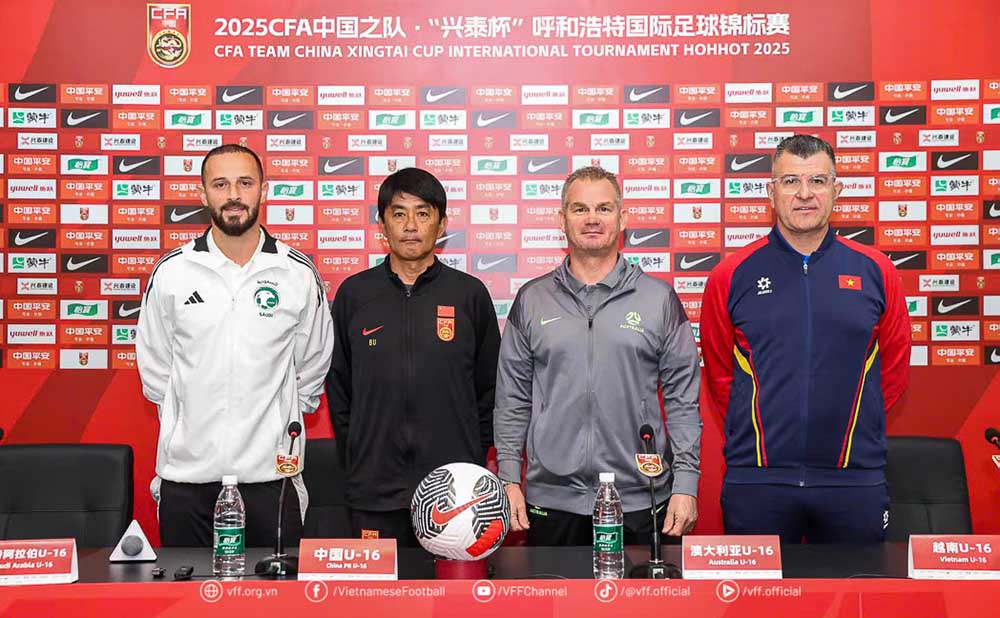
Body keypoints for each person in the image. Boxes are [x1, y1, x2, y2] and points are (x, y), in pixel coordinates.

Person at [700, 134, 911, 543]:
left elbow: (893, 374)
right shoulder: (731, 275)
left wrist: (850, 419)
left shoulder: (876, 270)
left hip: (853, 479)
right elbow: (722, 377)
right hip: (757, 481)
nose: (804, 194)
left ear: (837, 190)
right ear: (771, 192)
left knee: (859, 605)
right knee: (754, 608)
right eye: (790, 181)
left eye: (817, 181)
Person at [137, 143, 333, 547]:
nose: (233, 196)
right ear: (202, 193)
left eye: (245, 183)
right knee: (184, 607)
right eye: (220, 184)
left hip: (271, 481)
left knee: (275, 607)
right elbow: (156, 371)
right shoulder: (173, 272)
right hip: (186, 482)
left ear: (263, 190)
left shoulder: (295, 273)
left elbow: (312, 369)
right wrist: (186, 422)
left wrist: (280, 421)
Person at [494, 166, 702, 546]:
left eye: (604, 208)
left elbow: (683, 403)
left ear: (622, 218)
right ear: (562, 219)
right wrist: (509, 479)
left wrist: (686, 484)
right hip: (551, 500)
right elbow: (512, 401)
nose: (592, 219)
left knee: (643, 609)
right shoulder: (532, 298)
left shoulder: (658, 300)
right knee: (554, 606)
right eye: (579, 209)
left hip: (643, 498)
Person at [325, 167, 500, 545]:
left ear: (441, 225)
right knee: (376, 603)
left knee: (452, 603)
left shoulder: (469, 295)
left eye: (423, 213)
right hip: (374, 489)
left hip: (455, 491)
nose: (410, 225)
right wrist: (361, 450)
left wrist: (471, 451)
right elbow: (338, 389)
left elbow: (490, 388)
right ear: (381, 224)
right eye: (399, 213)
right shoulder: (355, 295)